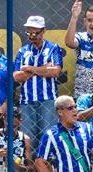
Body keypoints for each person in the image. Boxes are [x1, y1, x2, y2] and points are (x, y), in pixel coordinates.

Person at [13, 15, 65, 145]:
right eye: (29, 32)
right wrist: (43, 69)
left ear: (44, 31)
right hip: (27, 100)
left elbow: (55, 71)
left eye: (35, 32)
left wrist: (29, 69)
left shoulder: (53, 48)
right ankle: (30, 165)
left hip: (47, 99)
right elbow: (16, 76)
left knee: (47, 138)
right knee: (28, 140)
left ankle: (46, 165)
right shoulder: (22, 51)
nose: (32, 36)